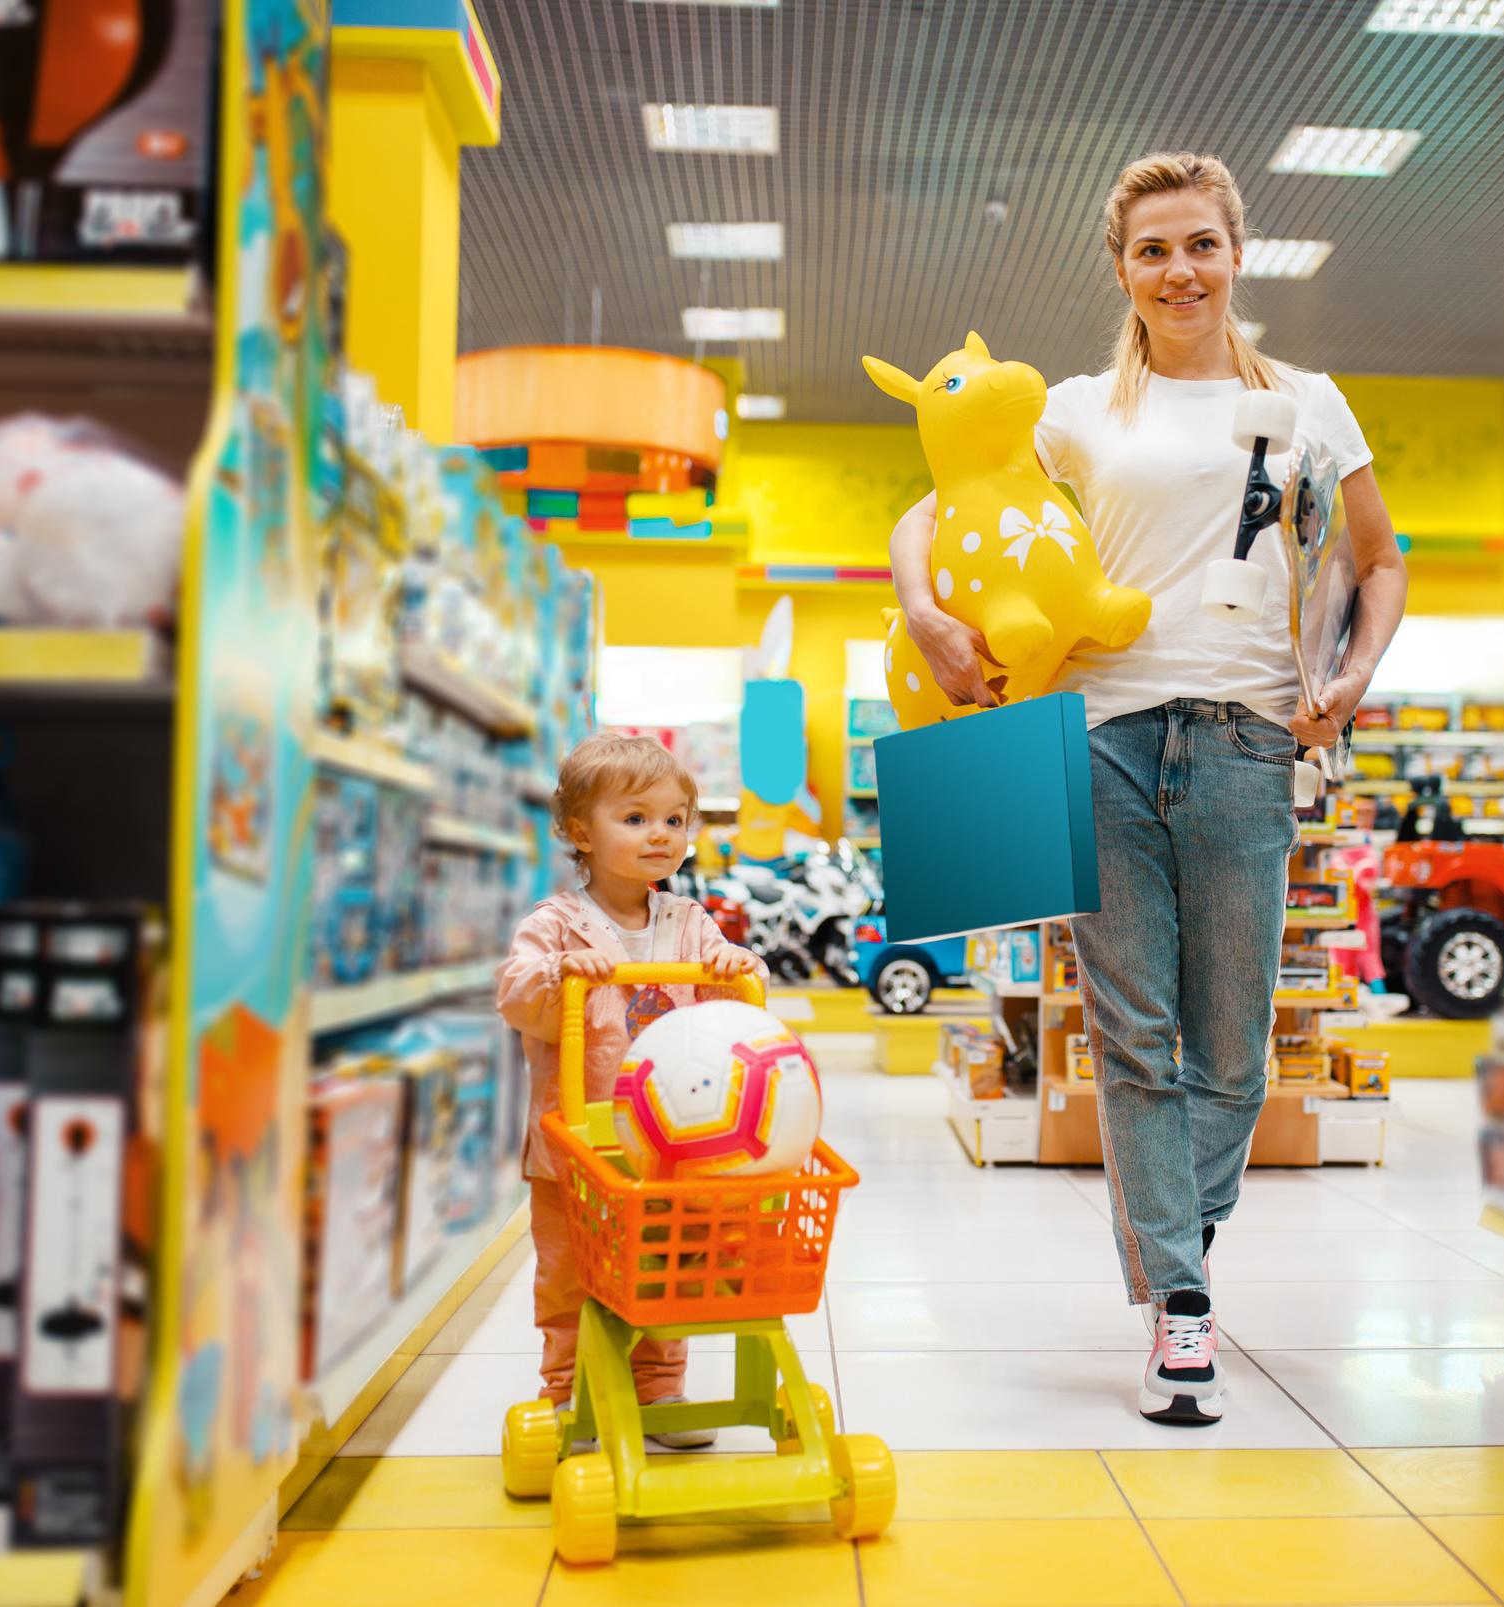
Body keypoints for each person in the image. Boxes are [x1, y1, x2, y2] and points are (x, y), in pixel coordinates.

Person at [888, 152, 1408, 1427]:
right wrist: (922, 608)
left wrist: (1348, 676)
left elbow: (1380, 561)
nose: (1179, 271)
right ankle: (1180, 1304)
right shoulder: (1072, 408)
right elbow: (936, 507)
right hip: (1099, 734)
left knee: (1232, 1049)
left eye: (1200, 245)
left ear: (1237, 252)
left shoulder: (1309, 404)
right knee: (1134, 1034)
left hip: (1248, 738)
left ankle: (1182, 1242)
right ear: (1121, 269)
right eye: (1152, 251)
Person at [495, 733, 764, 1445]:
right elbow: (517, 998)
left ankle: (659, 1388)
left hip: (670, 1141)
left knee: (667, 1265)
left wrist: (733, 963)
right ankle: (567, 1390)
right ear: (581, 831)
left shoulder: (688, 921)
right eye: (637, 817)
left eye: (675, 820)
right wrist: (560, 972)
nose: (661, 835)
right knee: (569, 1275)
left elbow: (727, 989)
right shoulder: (554, 924)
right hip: (575, 1145)